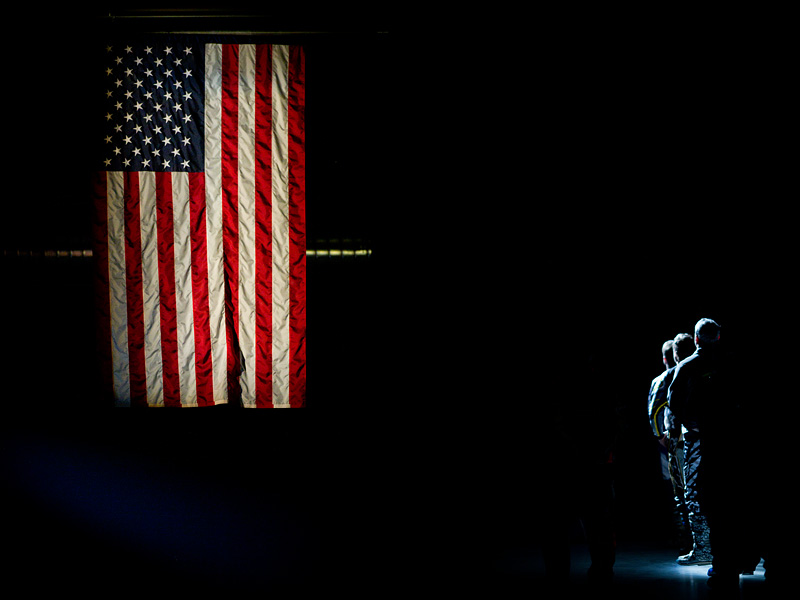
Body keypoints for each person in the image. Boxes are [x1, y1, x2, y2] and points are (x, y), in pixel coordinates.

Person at [668, 318, 744, 588]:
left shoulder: (688, 366)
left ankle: (719, 561)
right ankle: (734, 560)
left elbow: (673, 403)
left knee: (707, 498)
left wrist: (687, 426)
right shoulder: (732, 364)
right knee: (734, 501)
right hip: (734, 445)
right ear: (719, 338)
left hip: (703, 443)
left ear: (696, 339)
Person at [647, 338, 692, 555]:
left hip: (679, 443)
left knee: (680, 492)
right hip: (678, 442)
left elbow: (653, 410)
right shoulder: (685, 373)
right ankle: (688, 539)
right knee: (684, 491)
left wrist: (661, 437)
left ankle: (688, 540)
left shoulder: (669, 377)